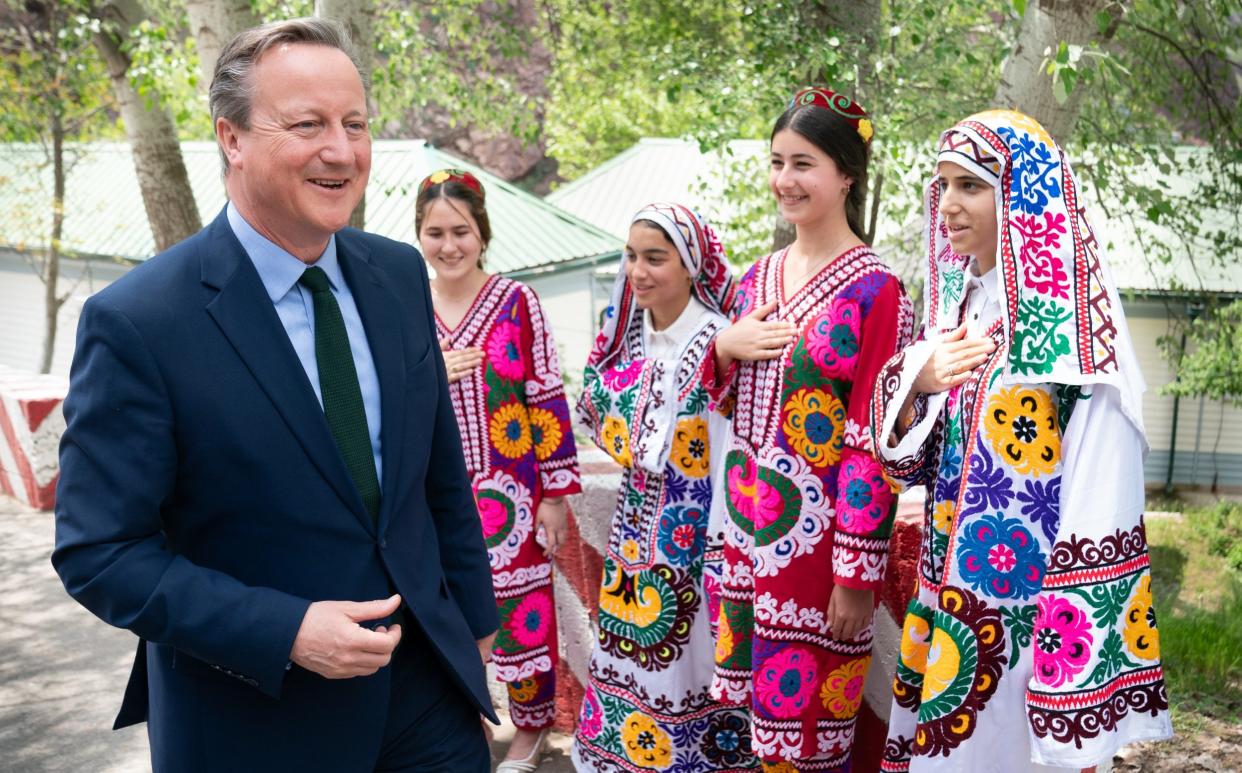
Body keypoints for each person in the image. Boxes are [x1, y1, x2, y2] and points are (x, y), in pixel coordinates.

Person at [51, 19, 497, 772]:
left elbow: (436, 478)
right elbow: (99, 551)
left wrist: (475, 632)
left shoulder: (396, 274)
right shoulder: (139, 321)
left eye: (354, 124)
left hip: (429, 702)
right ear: (232, 137)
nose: (341, 149)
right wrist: (285, 628)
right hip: (254, 723)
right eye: (307, 124)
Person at [870, 109, 1172, 771]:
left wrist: (1071, 659)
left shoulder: (1078, 322)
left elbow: (1104, 487)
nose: (948, 204)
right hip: (949, 601)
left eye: (970, 186)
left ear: (1023, 195)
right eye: (942, 185)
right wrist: (916, 377)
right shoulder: (963, 303)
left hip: (1030, 618)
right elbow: (908, 460)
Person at [704, 88, 914, 770]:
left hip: (819, 546)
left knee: (807, 726)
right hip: (745, 530)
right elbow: (725, 404)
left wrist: (856, 571)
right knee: (754, 726)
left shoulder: (877, 289)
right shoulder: (757, 276)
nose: (784, 180)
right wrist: (723, 349)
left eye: (804, 163)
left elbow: (871, 435)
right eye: (776, 162)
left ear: (846, 174)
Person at [573, 203, 756, 771]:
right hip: (635, 527)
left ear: (691, 266)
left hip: (701, 528)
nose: (639, 271)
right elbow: (592, 400)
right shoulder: (629, 333)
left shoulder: (720, 335)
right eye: (631, 256)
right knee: (630, 649)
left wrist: (702, 363)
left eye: (656, 258)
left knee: (694, 657)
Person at [416, 168, 582, 771]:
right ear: (420, 236)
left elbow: (545, 394)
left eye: (461, 230)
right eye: (435, 232)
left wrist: (555, 493)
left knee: (520, 613)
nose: (449, 245)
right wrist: (428, 372)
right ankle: (460, 722)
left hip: (513, 492)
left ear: (481, 233)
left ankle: (530, 729)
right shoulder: (407, 305)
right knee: (442, 610)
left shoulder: (516, 301)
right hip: (432, 498)